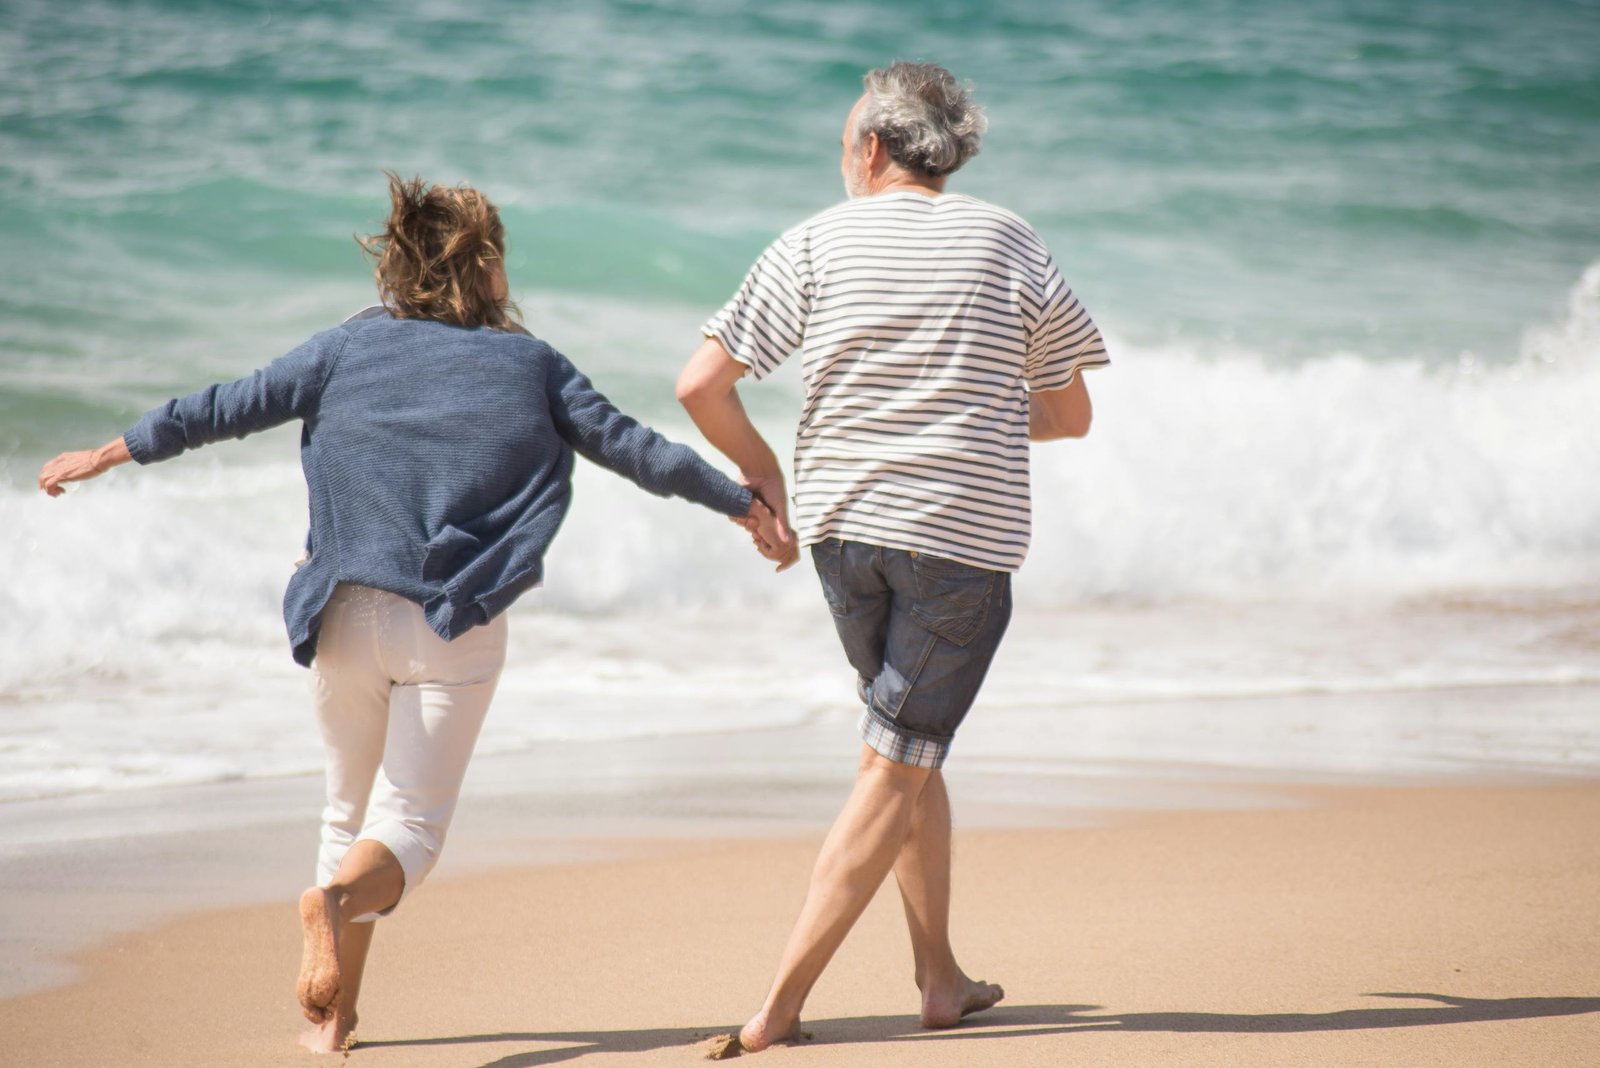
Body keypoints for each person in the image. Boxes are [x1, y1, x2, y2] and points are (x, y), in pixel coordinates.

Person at [38, 173, 782, 1054]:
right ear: (490, 268)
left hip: (341, 612)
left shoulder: (343, 351)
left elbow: (226, 407)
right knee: (410, 830)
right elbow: (636, 448)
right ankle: (335, 908)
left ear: (399, 266)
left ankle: (332, 1027)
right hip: (450, 622)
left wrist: (110, 449)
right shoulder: (534, 364)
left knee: (344, 814)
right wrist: (743, 504)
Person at [677, 62, 1108, 1052]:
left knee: (902, 754)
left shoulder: (813, 242)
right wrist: (970, 411)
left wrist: (762, 481)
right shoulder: (1007, 237)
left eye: (843, 140)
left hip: (843, 537)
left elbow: (702, 383)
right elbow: (1070, 412)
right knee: (892, 765)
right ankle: (777, 1009)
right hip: (957, 542)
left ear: (871, 147)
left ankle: (937, 976)